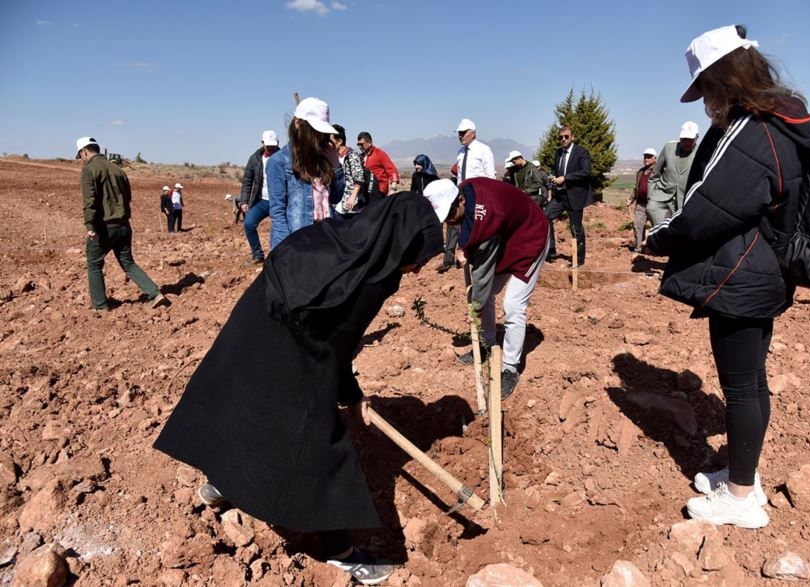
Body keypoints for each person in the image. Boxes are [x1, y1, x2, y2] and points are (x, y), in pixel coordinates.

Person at [153, 192, 443, 585]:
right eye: (420, 258)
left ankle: (225, 482)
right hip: (288, 338)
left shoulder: (340, 236)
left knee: (250, 405)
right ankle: (340, 550)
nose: (420, 269)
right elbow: (337, 348)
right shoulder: (375, 275)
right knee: (318, 438)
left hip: (255, 324)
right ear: (403, 243)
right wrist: (351, 396)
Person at [644, 25, 810, 528]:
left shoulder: (752, 130)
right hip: (763, 269)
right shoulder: (782, 120)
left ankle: (742, 497)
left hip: (741, 273)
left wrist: (656, 239)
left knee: (742, 388)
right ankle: (742, 474)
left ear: (722, 78)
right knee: (752, 381)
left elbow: (707, 211)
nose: (706, 101)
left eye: (705, 88)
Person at [424, 178, 549, 399]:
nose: (450, 221)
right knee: (487, 293)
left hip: (531, 238)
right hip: (506, 238)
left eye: (450, 214)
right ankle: (487, 343)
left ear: (461, 200)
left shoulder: (488, 217)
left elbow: (482, 272)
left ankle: (510, 367)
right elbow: (468, 231)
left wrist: (476, 307)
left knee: (513, 305)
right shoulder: (465, 192)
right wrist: (465, 248)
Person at [75, 136, 169, 311]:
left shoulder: (89, 170)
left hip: (103, 228)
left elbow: (89, 201)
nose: (81, 159)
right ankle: (155, 293)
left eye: (80, 155)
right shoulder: (118, 170)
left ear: (84, 152)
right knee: (128, 263)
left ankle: (100, 306)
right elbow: (127, 197)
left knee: (94, 263)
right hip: (124, 226)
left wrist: (90, 226)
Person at [267, 97, 341, 249]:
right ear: (298, 123)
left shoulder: (324, 158)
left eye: (322, 131)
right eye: (314, 130)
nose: (319, 136)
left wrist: (336, 166)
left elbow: (336, 197)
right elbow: (278, 213)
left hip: (326, 237)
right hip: (299, 242)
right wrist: (286, 250)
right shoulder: (279, 161)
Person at [440, 118, 496, 273]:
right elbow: (460, 176)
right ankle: (465, 255)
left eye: (464, 133)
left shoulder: (483, 150)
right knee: (462, 224)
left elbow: (490, 176)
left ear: (473, 133)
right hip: (463, 194)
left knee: (478, 225)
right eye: (459, 133)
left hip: (479, 194)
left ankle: (481, 257)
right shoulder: (460, 152)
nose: (461, 136)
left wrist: (489, 197)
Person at [545, 126, 592, 265]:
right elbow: (556, 170)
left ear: (572, 137)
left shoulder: (581, 152)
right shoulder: (558, 153)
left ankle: (579, 259)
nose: (563, 139)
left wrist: (565, 178)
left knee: (576, 228)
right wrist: (553, 177)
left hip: (575, 196)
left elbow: (586, 171)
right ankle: (551, 249)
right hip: (561, 195)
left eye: (566, 136)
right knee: (546, 216)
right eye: (561, 137)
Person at [239, 130, 281, 265]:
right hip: (261, 201)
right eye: (268, 146)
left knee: (279, 229)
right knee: (249, 224)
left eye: (273, 146)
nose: (271, 149)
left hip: (279, 202)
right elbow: (247, 180)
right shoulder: (255, 159)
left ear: (278, 143)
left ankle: (280, 257)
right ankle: (257, 254)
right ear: (262, 143)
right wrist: (244, 201)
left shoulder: (284, 158)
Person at [647, 121, 700, 226]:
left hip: (685, 200)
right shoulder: (668, 148)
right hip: (662, 194)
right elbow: (655, 175)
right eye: (683, 139)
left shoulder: (701, 152)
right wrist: (651, 196)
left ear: (696, 138)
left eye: (690, 139)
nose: (686, 142)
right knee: (651, 209)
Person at [331, 124, 366, 216]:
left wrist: (352, 197)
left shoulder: (352, 155)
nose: (328, 144)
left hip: (350, 206)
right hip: (338, 205)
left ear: (339, 141)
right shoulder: (334, 157)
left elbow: (359, 178)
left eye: (330, 140)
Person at [628, 148, 656, 252]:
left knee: (657, 227)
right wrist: (631, 199)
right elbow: (637, 188)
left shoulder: (659, 171)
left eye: (649, 157)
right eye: (645, 156)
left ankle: (657, 248)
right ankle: (639, 248)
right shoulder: (640, 172)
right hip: (641, 204)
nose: (646, 159)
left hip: (654, 205)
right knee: (637, 226)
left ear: (655, 158)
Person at [357, 132, 399, 197]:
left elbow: (392, 170)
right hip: (365, 192)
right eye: (358, 144)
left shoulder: (379, 154)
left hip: (379, 192)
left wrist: (393, 188)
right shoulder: (360, 157)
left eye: (361, 144)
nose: (360, 147)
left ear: (369, 142)